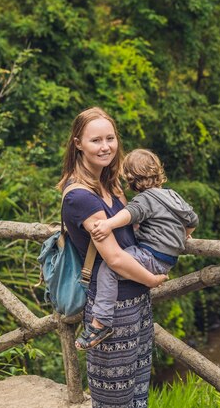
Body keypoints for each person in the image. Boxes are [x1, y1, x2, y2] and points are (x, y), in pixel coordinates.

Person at [57, 107, 167, 408]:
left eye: (110, 138)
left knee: (137, 393)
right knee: (113, 399)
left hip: (137, 303)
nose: (105, 146)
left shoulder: (111, 184)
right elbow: (115, 259)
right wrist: (153, 280)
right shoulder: (80, 196)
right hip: (110, 311)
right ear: (78, 143)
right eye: (96, 140)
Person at [76, 149, 198, 350]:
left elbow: (129, 214)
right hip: (167, 260)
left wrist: (108, 225)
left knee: (109, 269)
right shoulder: (172, 195)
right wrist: (185, 234)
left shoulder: (145, 199)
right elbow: (193, 219)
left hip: (151, 257)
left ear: (130, 178)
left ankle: (101, 324)